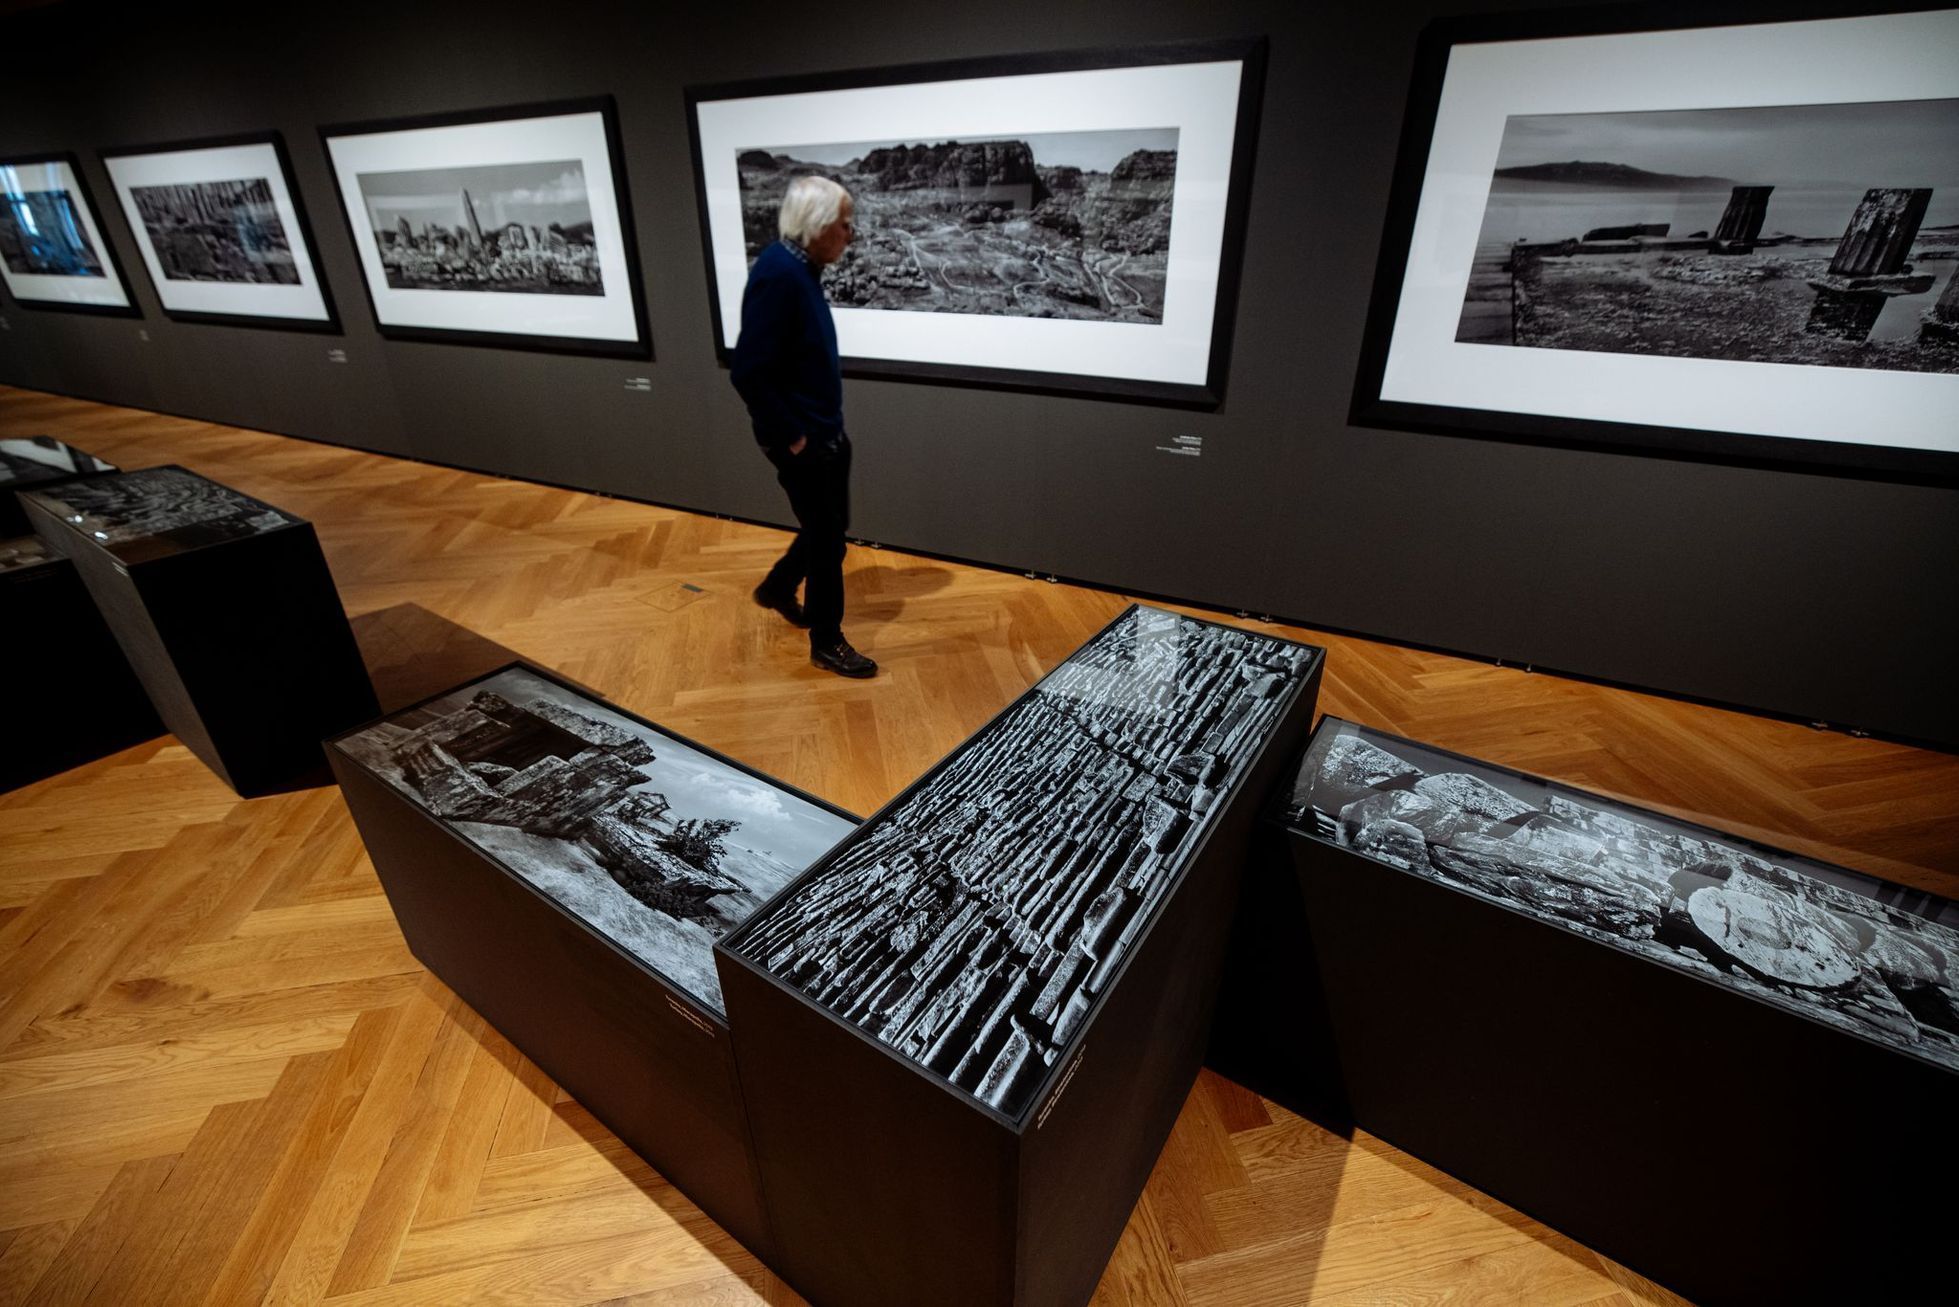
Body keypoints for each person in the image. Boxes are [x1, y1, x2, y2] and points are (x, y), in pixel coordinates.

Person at [730, 174, 876, 679]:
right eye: (843, 224)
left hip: (823, 431)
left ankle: (776, 588)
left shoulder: (801, 267)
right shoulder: (780, 273)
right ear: (816, 226)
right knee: (827, 538)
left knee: (828, 530)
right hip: (804, 439)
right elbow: (749, 368)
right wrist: (792, 432)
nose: (849, 235)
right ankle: (827, 641)